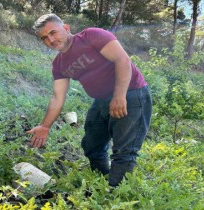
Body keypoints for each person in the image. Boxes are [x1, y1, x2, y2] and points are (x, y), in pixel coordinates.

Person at [26, 14, 152, 187]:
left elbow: (122, 59)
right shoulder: (59, 64)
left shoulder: (92, 36)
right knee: (92, 145)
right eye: (45, 38)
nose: (51, 40)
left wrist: (119, 95)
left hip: (131, 93)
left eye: (53, 33)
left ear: (67, 28)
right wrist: (45, 126)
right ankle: (102, 180)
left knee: (124, 151)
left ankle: (115, 196)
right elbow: (57, 97)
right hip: (101, 100)